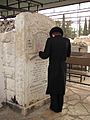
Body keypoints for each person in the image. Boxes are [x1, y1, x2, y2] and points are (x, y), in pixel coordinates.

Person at [39, 27, 71, 113]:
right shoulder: (67, 40)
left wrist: (39, 53)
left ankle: (54, 107)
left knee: (53, 86)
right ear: (60, 33)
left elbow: (45, 55)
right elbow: (68, 54)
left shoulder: (50, 40)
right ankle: (60, 107)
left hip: (53, 66)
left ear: (53, 33)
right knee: (61, 85)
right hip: (63, 66)